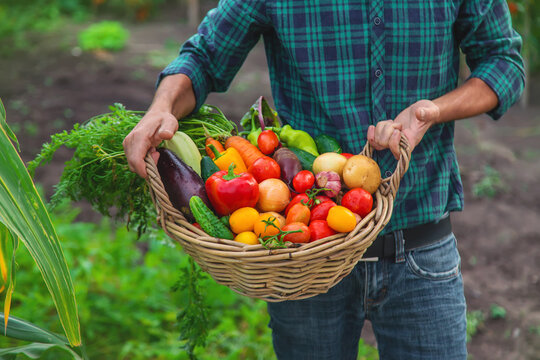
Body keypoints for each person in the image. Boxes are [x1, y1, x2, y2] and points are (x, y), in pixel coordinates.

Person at [123, 0, 524, 358]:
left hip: (420, 247)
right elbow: (205, 56)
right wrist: (161, 107)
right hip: (304, 256)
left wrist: (432, 111)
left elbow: (504, 62)